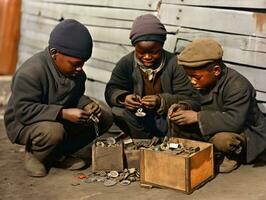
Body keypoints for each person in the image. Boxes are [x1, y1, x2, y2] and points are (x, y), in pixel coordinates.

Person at [4, 19, 113, 177]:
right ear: (55, 54)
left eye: (83, 63)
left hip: (55, 116)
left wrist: (86, 104)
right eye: (75, 64)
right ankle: (36, 154)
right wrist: (63, 113)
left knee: (104, 117)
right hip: (25, 123)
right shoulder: (31, 72)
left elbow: (74, 96)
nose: (80, 68)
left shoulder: (76, 74)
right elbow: (24, 110)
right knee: (54, 131)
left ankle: (58, 154)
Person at [169, 38, 266, 173]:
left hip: (245, 133)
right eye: (189, 76)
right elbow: (195, 100)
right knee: (179, 119)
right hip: (214, 124)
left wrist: (197, 117)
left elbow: (234, 121)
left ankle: (233, 155)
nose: (192, 81)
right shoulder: (201, 80)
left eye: (196, 77)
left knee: (223, 140)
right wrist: (185, 107)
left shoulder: (237, 86)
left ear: (215, 70)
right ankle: (190, 151)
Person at [105, 14, 200, 139]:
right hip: (140, 119)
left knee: (181, 116)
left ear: (161, 46)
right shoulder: (126, 63)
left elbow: (190, 99)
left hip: (167, 120)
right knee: (118, 112)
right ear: (135, 47)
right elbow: (112, 89)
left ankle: (168, 142)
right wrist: (124, 97)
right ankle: (144, 142)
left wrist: (161, 101)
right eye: (141, 52)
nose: (147, 57)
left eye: (154, 52)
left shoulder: (175, 64)